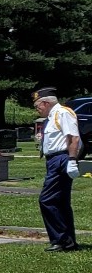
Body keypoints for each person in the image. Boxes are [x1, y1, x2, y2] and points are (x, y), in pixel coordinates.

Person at [33, 87, 81, 251]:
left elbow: (73, 138)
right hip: (54, 160)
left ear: (46, 103)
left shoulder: (62, 113)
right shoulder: (52, 116)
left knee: (47, 200)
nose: (37, 109)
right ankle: (68, 241)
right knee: (60, 201)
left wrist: (72, 161)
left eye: (37, 106)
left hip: (61, 159)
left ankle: (60, 239)